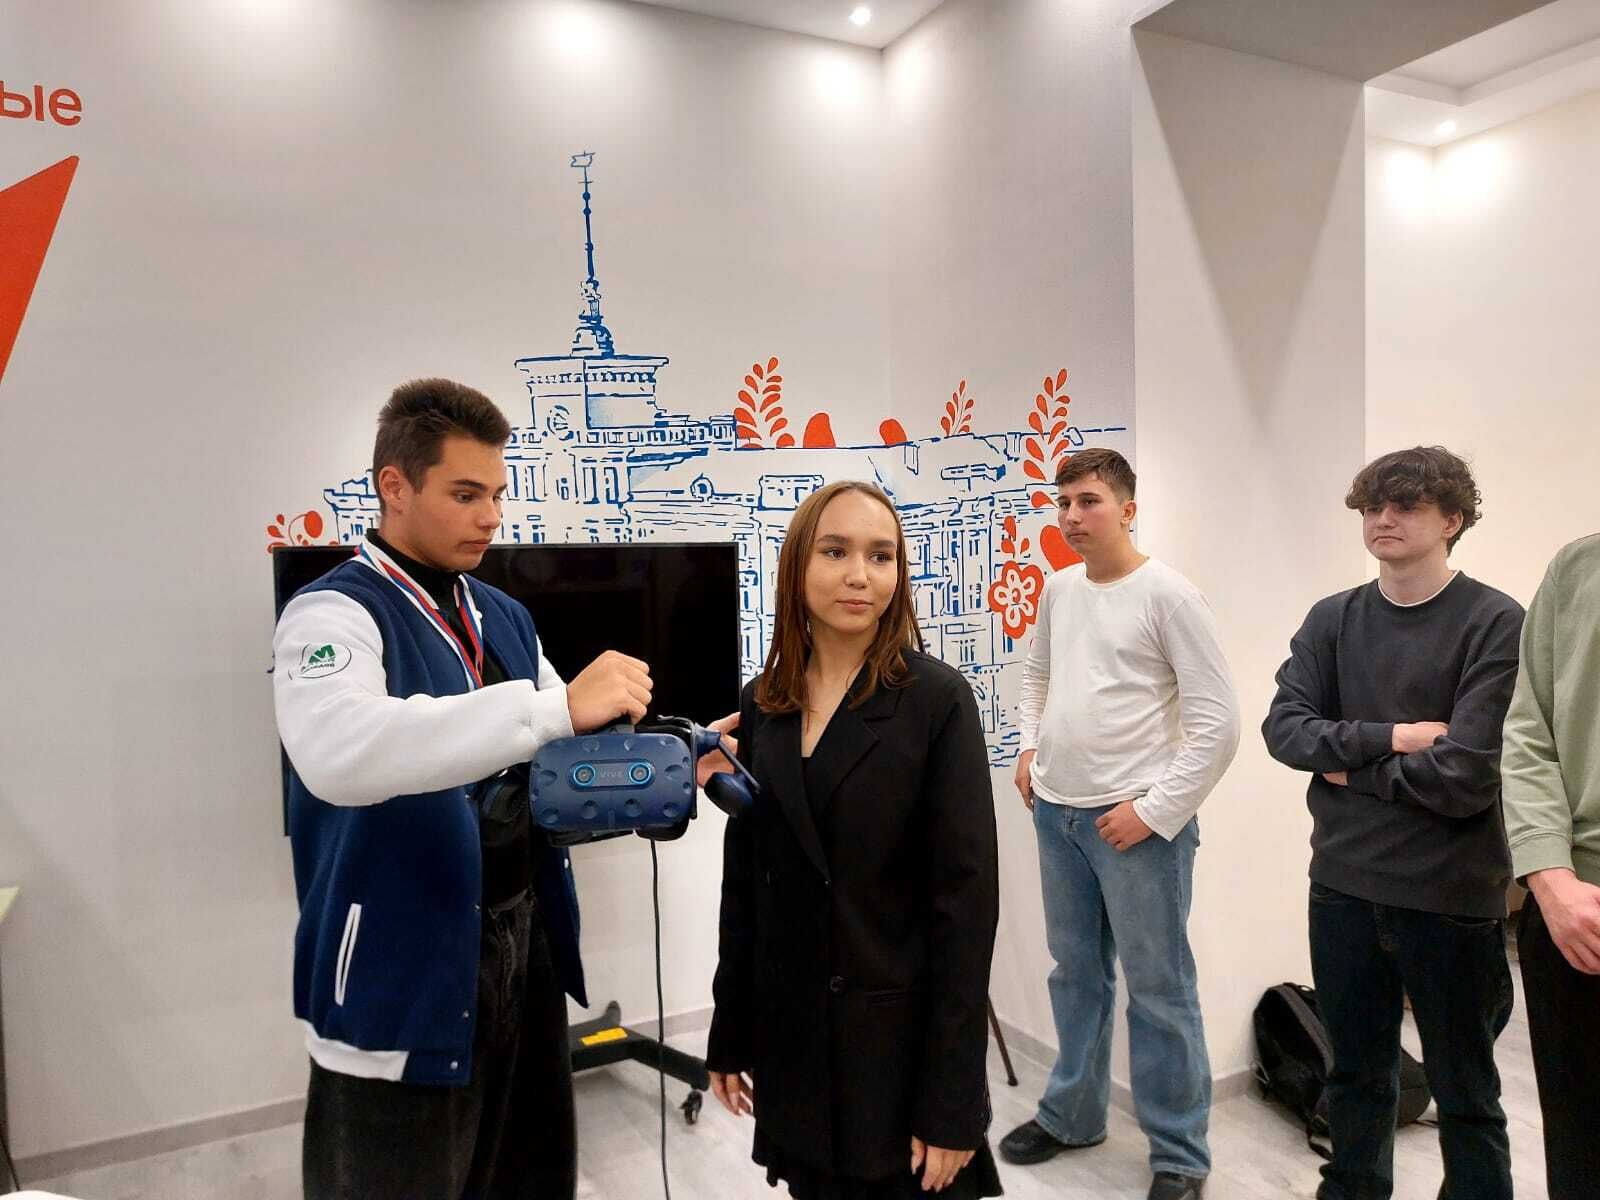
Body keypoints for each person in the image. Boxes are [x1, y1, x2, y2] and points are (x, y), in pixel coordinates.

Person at [274, 378, 733, 1200]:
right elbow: (340, 752)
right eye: (465, 494)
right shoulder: (331, 616)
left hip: (522, 946)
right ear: (394, 486)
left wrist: (673, 759)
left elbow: (562, 754)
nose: (491, 517)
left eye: (496, 494)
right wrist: (555, 708)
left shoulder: (504, 616)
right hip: (400, 967)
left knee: (527, 1176)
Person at [705, 480, 1003, 1198]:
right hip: (794, 1043)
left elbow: (965, 913)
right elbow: (747, 885)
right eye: (835, 552)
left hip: (894, 1052)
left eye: (881, 556)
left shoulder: (935, 700)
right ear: (798, 565)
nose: (860, 575)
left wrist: (953, 1100)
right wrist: (730, 1030)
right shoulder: (764, 701)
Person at [1262, 446, 1523, 1200]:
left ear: (1453, 520)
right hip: (1342, 887)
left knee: (1465, 1092)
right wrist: (1397, 736)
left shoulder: (1495, 621)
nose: (1383, 519)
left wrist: (1350, 767)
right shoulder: (1333, 619)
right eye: (1373, 506)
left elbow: (1465, 777)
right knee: (1354, 1075)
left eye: (1406, 506)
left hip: (1450, 897)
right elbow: (1286, 732)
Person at [999, 448, 1239, 1200]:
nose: (1072, 516)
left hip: (1136, 826)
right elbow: (1037, 675)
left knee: (1160, 989)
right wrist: (1029, 747)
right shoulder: (1060, 588)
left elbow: (1218, 723)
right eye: (1064, 502)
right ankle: (1073, 1116)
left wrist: (1154, 811)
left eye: (1089, 501)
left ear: (1128, 509)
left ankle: (1180, 1154)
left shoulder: (1170, 596)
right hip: (1057, 815)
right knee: (1075, 975)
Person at [1500, 533, 1600, 1200]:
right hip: (1575, 909)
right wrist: (1549, 878)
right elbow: (1529, 731)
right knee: (1581, 1156)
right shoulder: (1577, 567)